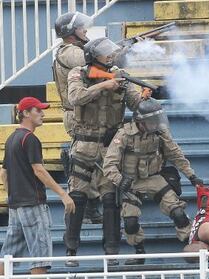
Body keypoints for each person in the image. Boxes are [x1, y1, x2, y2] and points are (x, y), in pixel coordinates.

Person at [64, 37, 151, 267]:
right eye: (105, 54)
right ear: (93, 56)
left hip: (109, 148)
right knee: (78, 197)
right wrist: (104, 85)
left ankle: (111, 251)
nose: (110, 56)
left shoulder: (119, 73)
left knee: (111, 199)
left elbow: (134, 104)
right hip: (84, 145)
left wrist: (142, 96)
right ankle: (71, 250)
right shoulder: (78, 73)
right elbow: (75, 97)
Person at [103, 98, 203, 265]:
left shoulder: (159, 133)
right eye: (152, 121)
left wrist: (191, 175)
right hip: (131, 182)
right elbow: (109, 165)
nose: (156, 123)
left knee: (178, 213)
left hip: (154, 178)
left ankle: (192, 245)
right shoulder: (124, 135)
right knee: (130, 222)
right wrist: (120, 181)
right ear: (141, 122)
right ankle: (139, 252)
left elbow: (175, 155)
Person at [0, 97, 75, 274]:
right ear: (26, 113)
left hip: (16, 206)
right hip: (33, 204)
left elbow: (4, 173)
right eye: (38, 110)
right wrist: (63, 195)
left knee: (8, 257)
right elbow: (38, 170)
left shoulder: (11, 139)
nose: (42, 114)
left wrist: (12, 197)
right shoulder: (30, 138)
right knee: (39, 257)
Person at [53, 11, 103, 224]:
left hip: (85, 115)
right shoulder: (69, 52)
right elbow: (92, 60)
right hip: (77, 116)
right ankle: (88, 207)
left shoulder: (75, 48)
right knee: (86, 162)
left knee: (94, 161)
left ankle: (90, 205)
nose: (85, 30)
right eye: (81, 28)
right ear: (71, 33)